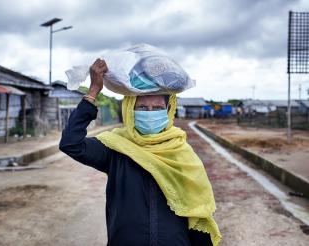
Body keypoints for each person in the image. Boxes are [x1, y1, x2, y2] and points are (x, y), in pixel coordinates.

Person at [59, 59, 221, 246]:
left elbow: (198, 212)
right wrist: (93, 91)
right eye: (142, 108)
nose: (150, 113)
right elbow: (71, 144)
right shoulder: (116, 150)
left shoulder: (182, 154)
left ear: (168, 111)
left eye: (157, 108)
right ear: (130, 110)